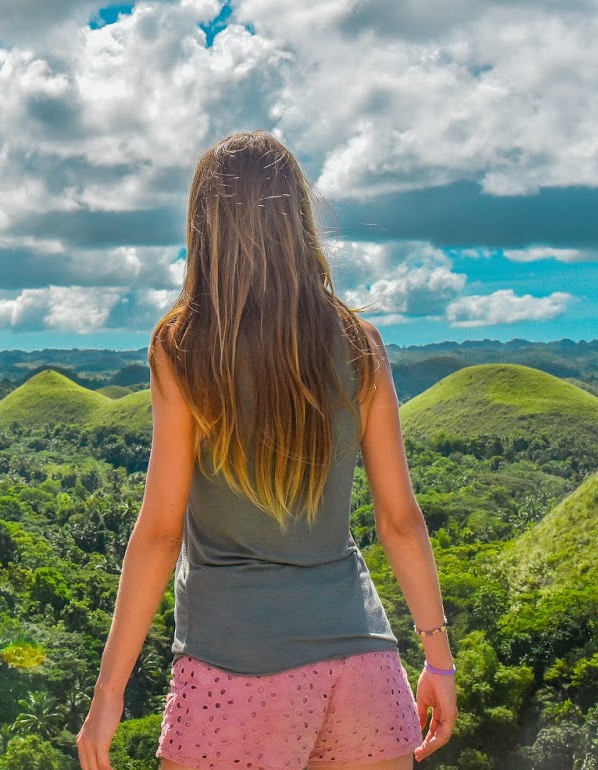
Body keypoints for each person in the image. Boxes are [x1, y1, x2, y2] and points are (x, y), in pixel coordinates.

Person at [75, 131, 457, 770]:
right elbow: (400, 520)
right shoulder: (358, 341)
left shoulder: (184, 347)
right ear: (298, 221)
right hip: (365, 667)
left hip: (236, 670)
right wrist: (438, 660)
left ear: (204, 226)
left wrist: (109, 690)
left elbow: (160, 534)